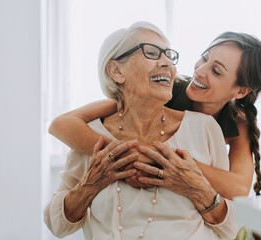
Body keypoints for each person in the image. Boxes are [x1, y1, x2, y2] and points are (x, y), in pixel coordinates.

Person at [44, 21, 241, 240]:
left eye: (169, 55)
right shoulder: (90, 136)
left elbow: (232, 230)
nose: (167, 63)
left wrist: (200, 191)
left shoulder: (205, 128)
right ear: (117, 71)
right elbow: (56, 225)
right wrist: (89, 185)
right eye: (152, 52)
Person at [49, 30, 261, 201]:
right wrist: (129, 156)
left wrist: (167, 162)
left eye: (216, 71)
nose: (200, 71)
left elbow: (238, 188)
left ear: (240, 91)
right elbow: (61, 125)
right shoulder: (163, 90)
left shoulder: (237, 122)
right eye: (204, 58)